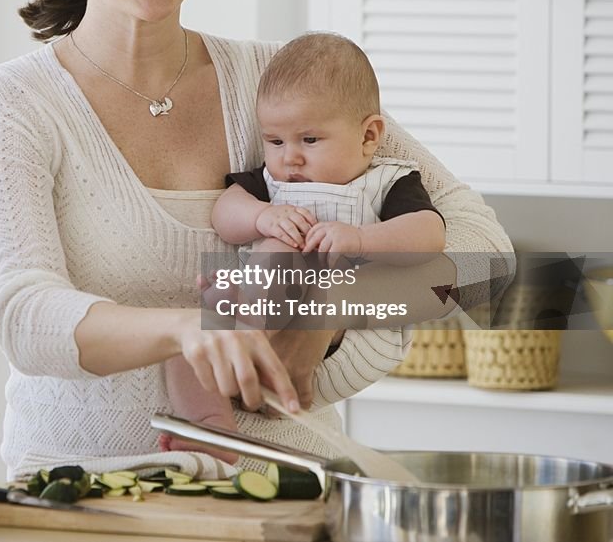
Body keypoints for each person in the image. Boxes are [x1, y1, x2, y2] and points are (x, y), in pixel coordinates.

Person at [0, 0, 513, 480]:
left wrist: (332, 313)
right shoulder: (8, 105)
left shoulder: (283, 85)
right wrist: (188, 327)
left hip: (290, 489)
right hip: (88, 497)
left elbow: (489, 261)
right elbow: (25, 317)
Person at [162, 32, 447, 458]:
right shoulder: (272, 182)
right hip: (264, 310)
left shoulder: (387, 181)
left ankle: (247, 338)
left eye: (309, 140)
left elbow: (430, 234)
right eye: (275, 141)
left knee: (283, 254)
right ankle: (212, 429)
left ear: (369, 136)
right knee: (182, 345)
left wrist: (363, 239)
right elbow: (226, 211)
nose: (289, 158)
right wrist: (262, 215)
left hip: (351, 327)